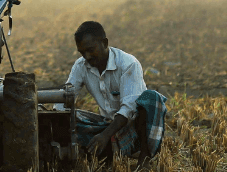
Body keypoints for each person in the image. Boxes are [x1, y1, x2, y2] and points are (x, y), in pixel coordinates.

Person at [55, 21, 167, 165]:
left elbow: (129, 108)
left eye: (90, 50)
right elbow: (66, 98)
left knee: (152, 98)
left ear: (105, 43)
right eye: (82, 52)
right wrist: (56, 118)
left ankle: (144, 158)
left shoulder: (128, 64)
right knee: (69, 116)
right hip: (106, 126)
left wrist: (105, 135)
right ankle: (104, 152)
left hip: (134, 129)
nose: (87, 56)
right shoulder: (81, 66)